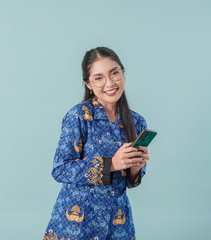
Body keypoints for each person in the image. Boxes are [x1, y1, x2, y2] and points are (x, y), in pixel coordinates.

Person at [43, 46, 150, 240]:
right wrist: (111, 164)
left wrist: (136, 167)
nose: (109, 83)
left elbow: (132, 182)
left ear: (123, 74)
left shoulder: (137, 122)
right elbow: (60, 169)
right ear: (88, 84)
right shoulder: (78, 116)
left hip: (117, 222)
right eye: (99, 78)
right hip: (77, 223)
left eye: (114, 74)